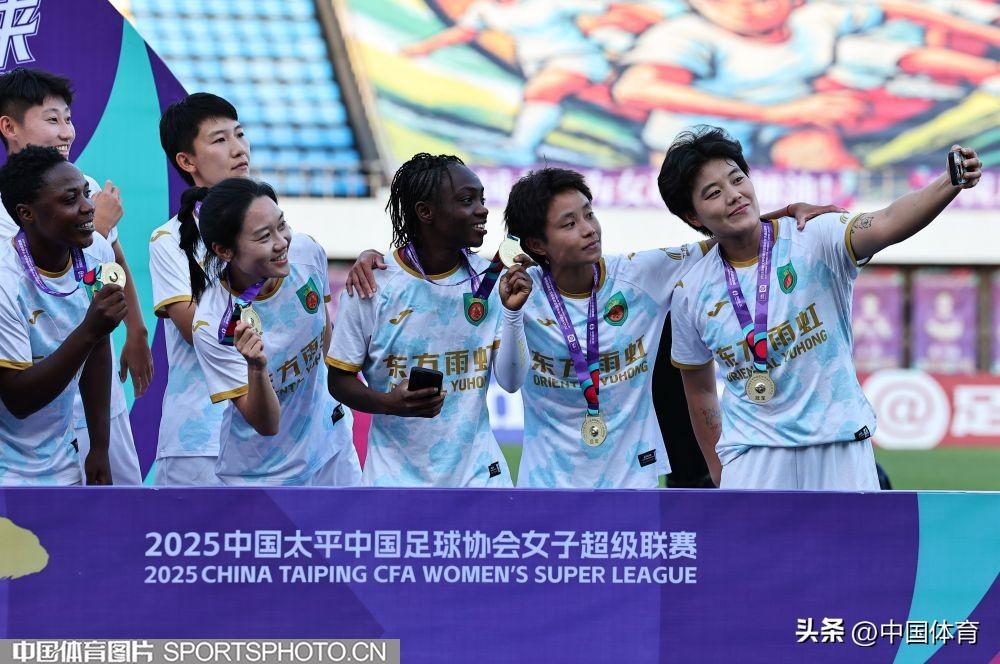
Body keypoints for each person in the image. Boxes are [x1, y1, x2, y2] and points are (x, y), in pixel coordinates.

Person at [662, 125, 981, 489]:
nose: (734, 195)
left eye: (737, 179)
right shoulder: (690, 290)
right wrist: (719, 469)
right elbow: (700, 390)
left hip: (840, 446)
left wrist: (949, 182)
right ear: (693, 216)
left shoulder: (814, 234)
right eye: (714, 193)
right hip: (753, 459)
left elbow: (888, 221)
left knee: (855, 532)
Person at [496, 167, 834, 487]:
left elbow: (728, 237)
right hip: (546, 485)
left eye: (589, 214)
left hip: (633, 482)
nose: (589, 229)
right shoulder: (520, 291)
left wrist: (787, 213)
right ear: (537, 244)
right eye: (569, 224)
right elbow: (509, 382)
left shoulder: (639, 274)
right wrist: (512, 314)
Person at [327, 153, 531, 486]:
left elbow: (510, 382)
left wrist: (512, 313)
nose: (482, 210)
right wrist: (389, 403)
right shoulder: (371, 284)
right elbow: (338, 381)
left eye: (481, 199)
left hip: (479, 478)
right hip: (394, 481)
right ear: (425, 212)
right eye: (466, 200)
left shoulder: (491, 280)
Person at [0, 67, 147, 484]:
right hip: (23, 423)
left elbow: (110, 264)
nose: (66, 131)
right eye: (52, 119)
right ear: (9, 127)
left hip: (88, 399)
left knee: (115, 495)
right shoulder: (8, 271)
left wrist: (135, 330)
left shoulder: (83, 190)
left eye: (68, 118)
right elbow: (18, 396)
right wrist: (95, 226)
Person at [186, 178, 360, 486]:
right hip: (265, 475)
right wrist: (257, 368)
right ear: (224, 250)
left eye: (282, 225)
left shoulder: (306, 253)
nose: (282, 243)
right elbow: (267, 424)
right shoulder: (213, 323)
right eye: (264, 236)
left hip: (332, 446)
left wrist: (339, 407)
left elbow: (325, 339)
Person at [0, 146, 126, 484]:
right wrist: (89, 330)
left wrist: (99, 447)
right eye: (70, 199)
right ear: (26, 213)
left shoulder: (97, 252)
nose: (89, 206)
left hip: (62, 461)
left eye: (86, 193)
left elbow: (98, 349)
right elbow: (18, 399)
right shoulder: (5, 281)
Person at [149, 93, 249, 485]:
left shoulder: (275, 230)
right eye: (220, 140)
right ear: (187, 161)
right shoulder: (169, 240)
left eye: (239, 134)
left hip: (274, 440)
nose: (238, 148)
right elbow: (197, 331)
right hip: (201, 439)